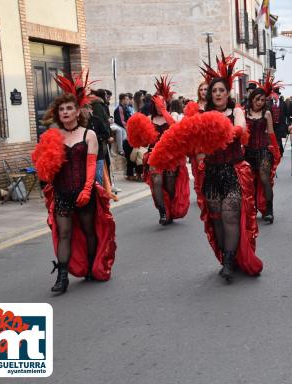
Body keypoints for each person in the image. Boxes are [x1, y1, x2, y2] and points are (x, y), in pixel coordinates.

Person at [151, 51, 263, 283]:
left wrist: (225, 131)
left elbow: (242, 132)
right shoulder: (202, 115)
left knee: (230, 216)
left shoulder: (237, 111)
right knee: (218, 219)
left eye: (222, 90)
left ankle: (230, 262)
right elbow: (191, 142)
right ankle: (225, 257)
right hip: (211, 173)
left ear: (228, 92)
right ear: (209, 95)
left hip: (232, 171)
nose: (218, 94)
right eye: (214, 91)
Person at [32, 71, 116, 293]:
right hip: (62, 192)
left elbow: (90, 165)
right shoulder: (54, 135)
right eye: (62, 109)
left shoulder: (88, 134)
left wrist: (88, 190)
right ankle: (62, 278)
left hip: (84, 191)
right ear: (58, 114)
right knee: (65, 233)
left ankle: (90, 267)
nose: (65, 112)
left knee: (89, 231)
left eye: (69, 108)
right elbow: (46, 167)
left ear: (77, 112)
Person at [128, 76, 190, 225]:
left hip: (171, 156)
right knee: (156, 180)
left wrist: (164, 111)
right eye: (157, 103)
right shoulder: (149, 119)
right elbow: (145, 141)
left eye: (162, 102)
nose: (159, 105)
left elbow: (175, 128)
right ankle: (162, 211)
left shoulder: (173, 115)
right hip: (154, 154)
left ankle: (169, 209)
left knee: (169, 185)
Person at [244, 73, 282, 223]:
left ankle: (269, 210)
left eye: (262, 99)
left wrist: (276, 152)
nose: (259, 102)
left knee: (265, 178)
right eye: (257, 99)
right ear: (252, 99)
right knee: (250, 182)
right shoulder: (244, 113)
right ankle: (251, 209)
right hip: (247, 151)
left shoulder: (266, 113)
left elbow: (271, 133)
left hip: (264, 150)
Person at [271, 87, 288, 156]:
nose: (274, 96)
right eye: (273, 94)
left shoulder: (283, 103)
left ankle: (278, 152)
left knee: (278, 138)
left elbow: (286, 114)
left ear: (278, 95)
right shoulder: (269, 103)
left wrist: (287, 124)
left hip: (280, 124)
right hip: (272, 125)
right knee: (274, 138)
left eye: (275, 94)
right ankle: (280, 150)